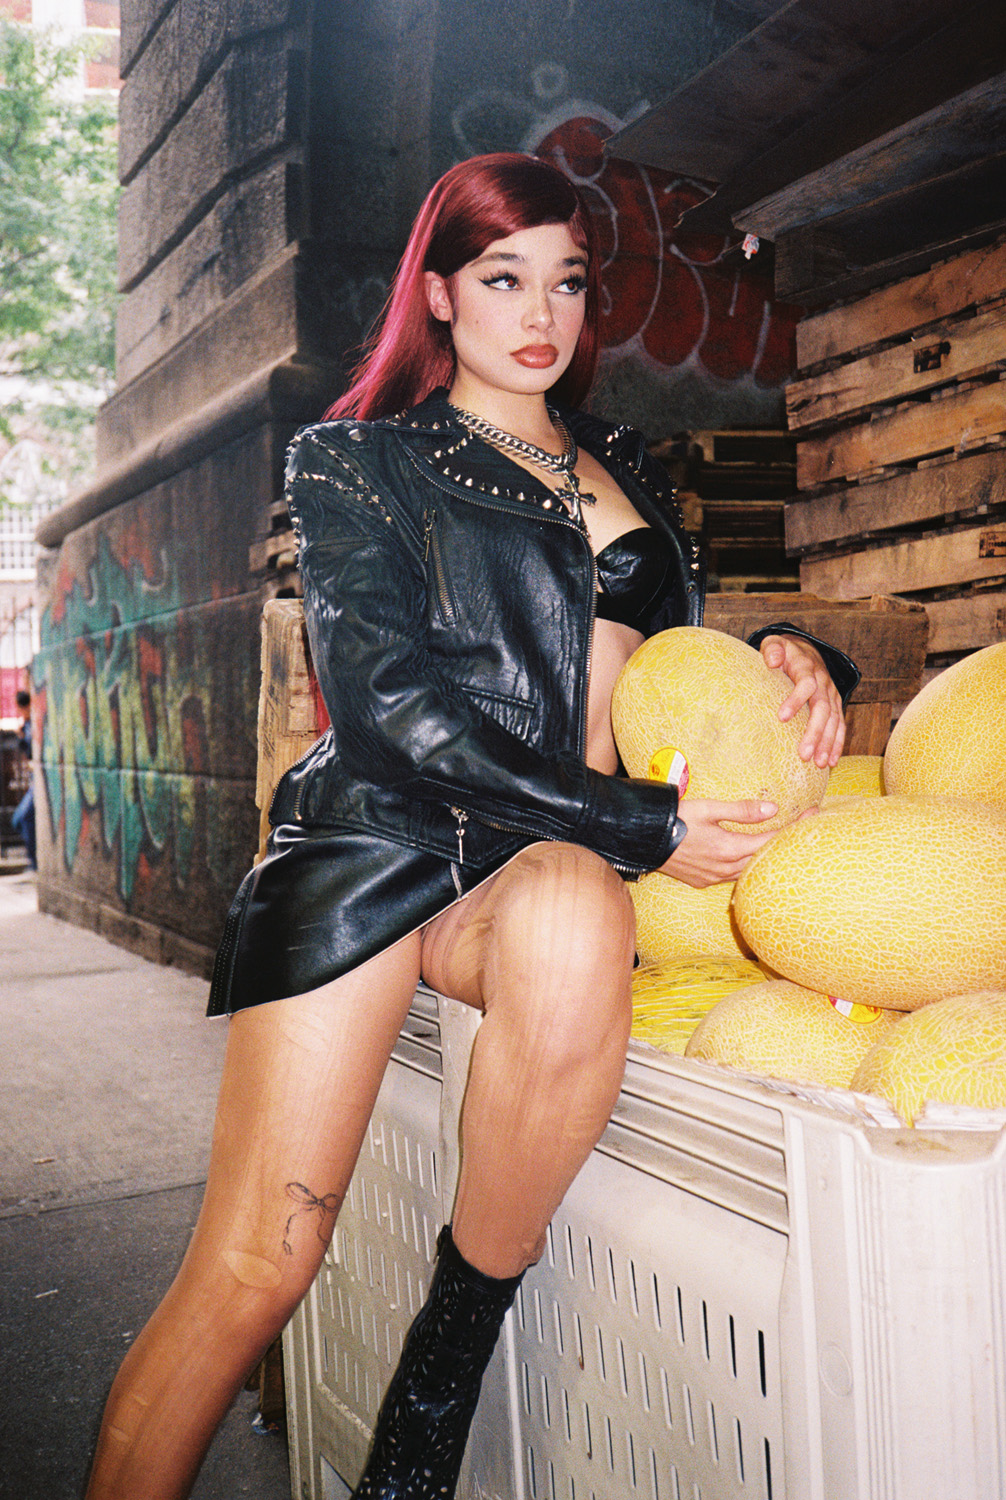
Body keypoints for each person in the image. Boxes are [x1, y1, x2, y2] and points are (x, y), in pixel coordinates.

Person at [84, 153, 857, 1500]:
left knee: (572, 912)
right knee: (261, 1262)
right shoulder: (358, 462)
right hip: (382, 852)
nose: (540, 313)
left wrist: (801, 659)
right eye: (502, 279)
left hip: (546, 864)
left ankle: (434, 1391)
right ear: (438, 294)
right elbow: (391, 711)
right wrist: (637, 821)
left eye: (566, 281)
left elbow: (671, 673)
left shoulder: (631, 473)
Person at [12, 688, 35, 869]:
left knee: (23, 817)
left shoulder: (33, 724)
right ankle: (34, 860)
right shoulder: (26, 725)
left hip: (38, 780)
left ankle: (35, 862)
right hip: (34, 779)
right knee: (19, 819)